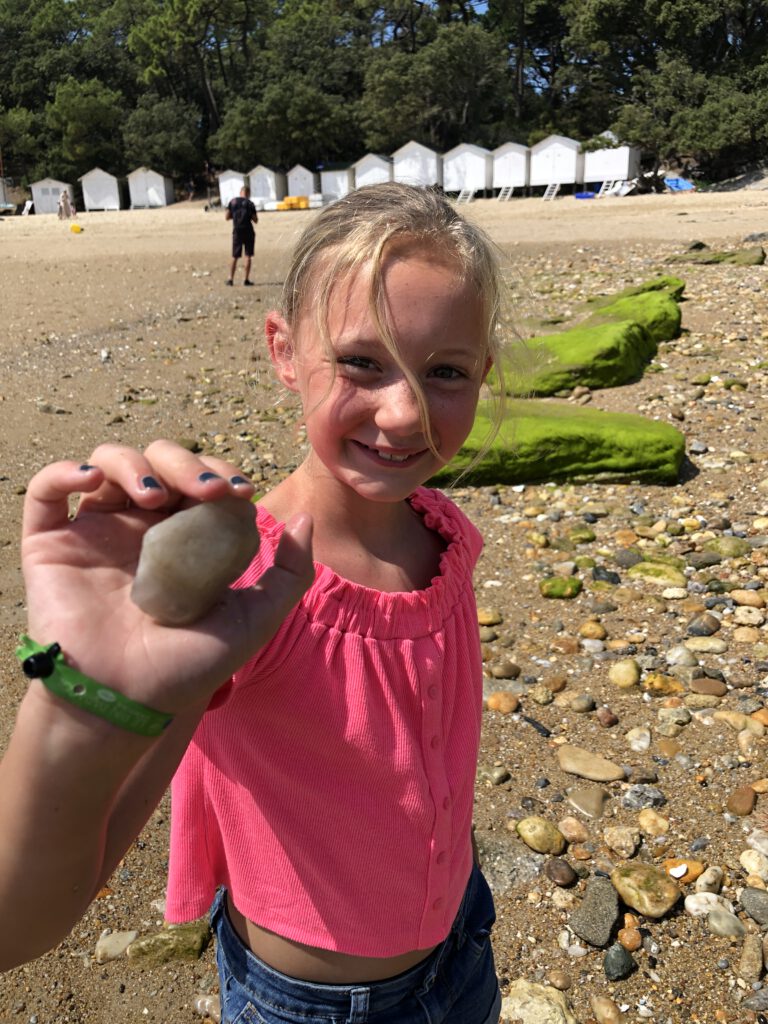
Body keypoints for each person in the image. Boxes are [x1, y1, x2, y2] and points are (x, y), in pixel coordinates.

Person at [0, 182, 508, 1024]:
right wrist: (80, 703)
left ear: (482, 372)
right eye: (360, 361)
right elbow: (21, 922)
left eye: (445, 371)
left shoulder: (443, 530)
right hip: (319, 1001)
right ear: (283, 349)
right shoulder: (245, 592)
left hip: (463, 942)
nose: (403, 409)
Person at [225, 184, 258, 286]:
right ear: (248, 193)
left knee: (234, 256)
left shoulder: (233, 202)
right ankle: (246, 279)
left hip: (237, 231)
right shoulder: (250, 203)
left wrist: (234, 217)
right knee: (248, 255)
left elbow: (227, 217)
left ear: (240, 192)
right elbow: (255, 220)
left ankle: (230, 279)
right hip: (248, 231)